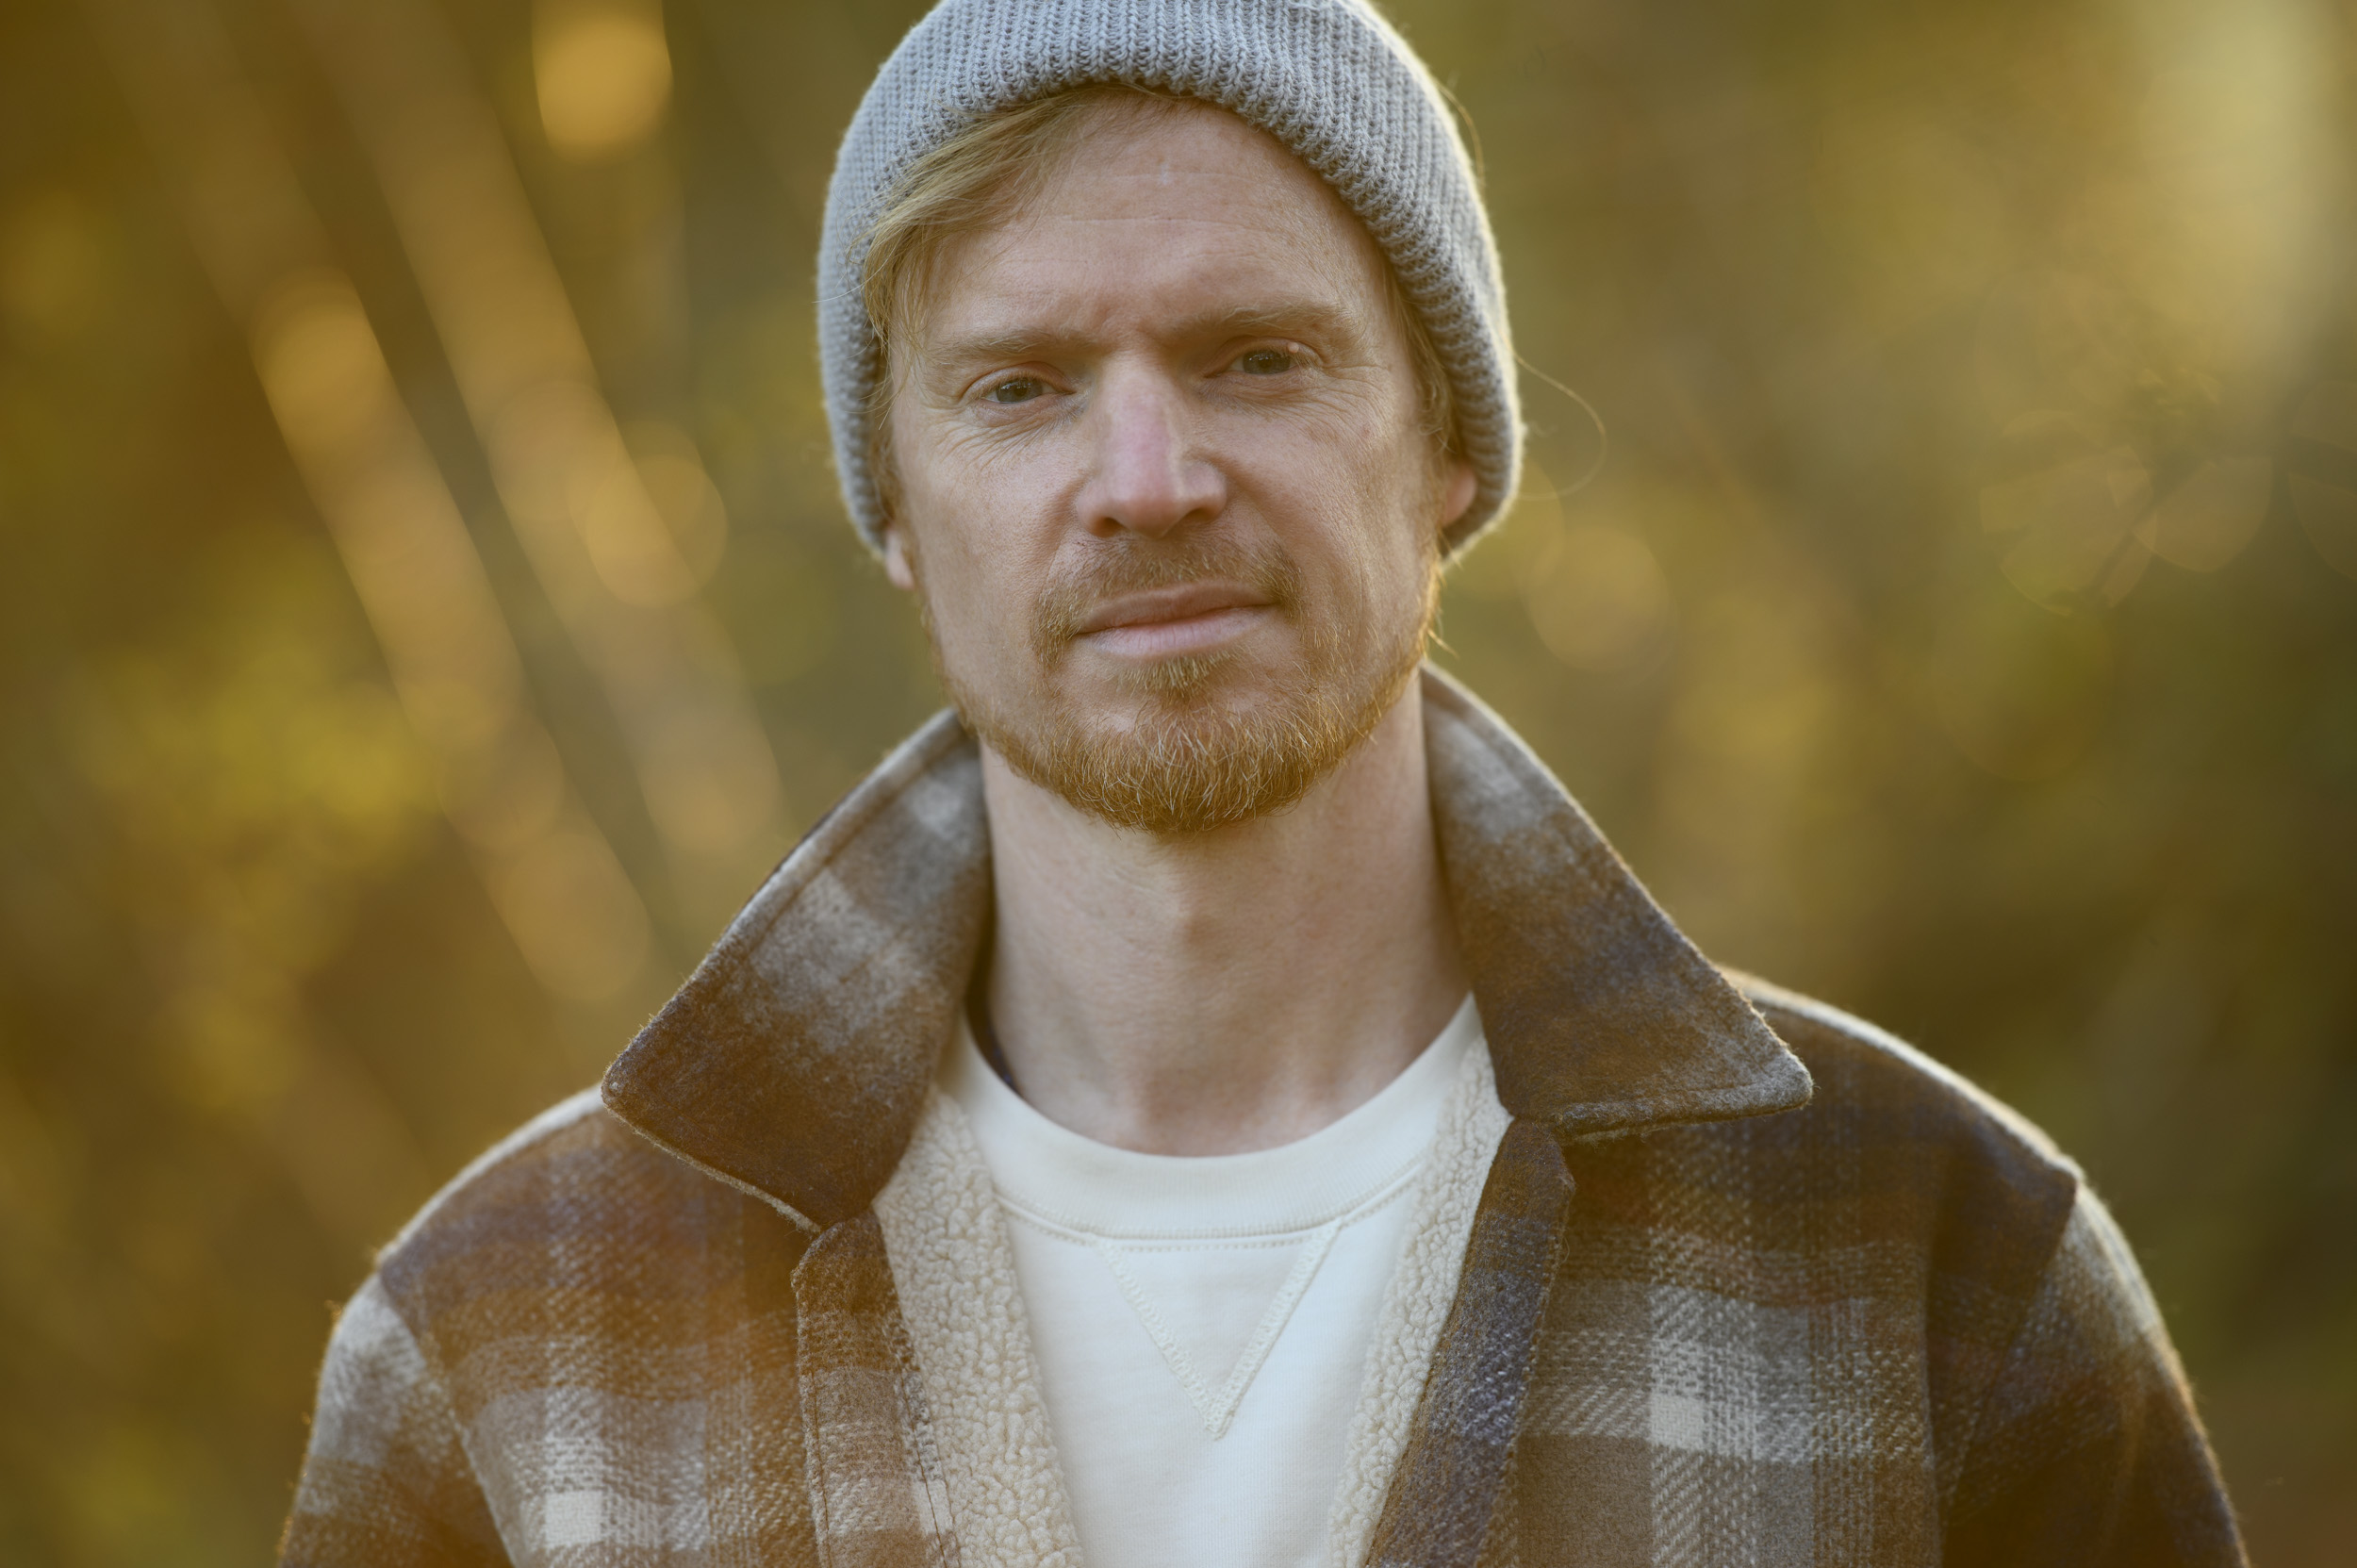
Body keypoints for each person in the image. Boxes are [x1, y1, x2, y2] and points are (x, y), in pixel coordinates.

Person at [279, 2, 2246, 1563]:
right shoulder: (501, 1345)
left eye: (1253, 358)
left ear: (1446, 446)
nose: (1144, 478)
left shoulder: (1929, 1272)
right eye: (1018, 387)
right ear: (895, 508)